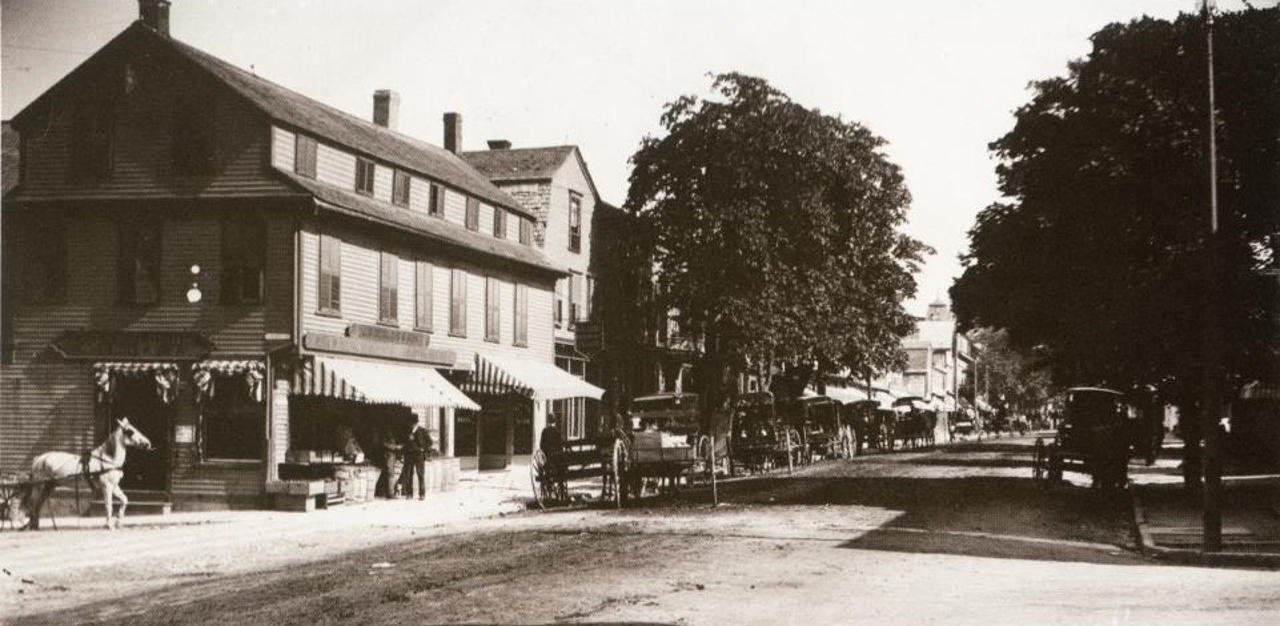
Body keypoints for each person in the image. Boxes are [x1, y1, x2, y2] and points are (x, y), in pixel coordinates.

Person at [401, 415, 433, 500]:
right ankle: (409, 493)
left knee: (420, 474)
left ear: (415, 423)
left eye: (412, 423)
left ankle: (422, 494)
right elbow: (404, 443)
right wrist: (408, 440)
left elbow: (430, 442)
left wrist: (424, 449)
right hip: (409, 455)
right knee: (408, 474)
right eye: (411, 423)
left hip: (419, 455)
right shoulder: (407, 432)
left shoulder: (422, 431)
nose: (411, 425)